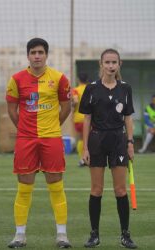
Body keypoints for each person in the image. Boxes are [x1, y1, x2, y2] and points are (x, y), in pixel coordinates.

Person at [6, 38, 72, 248]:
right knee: (24, 187)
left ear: (46, 55)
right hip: (26, 139)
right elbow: (12, 111)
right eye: (33, 52)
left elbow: (66, 108)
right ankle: (20, 235)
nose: (37, 56)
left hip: (51, 137)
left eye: (40, 52)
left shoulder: (59, 78)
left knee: (56, 184)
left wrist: (53, 126)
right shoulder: (16, 79)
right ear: (27, 55)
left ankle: (62, 235)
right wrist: (25, 129)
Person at [79, 48, 137, 249]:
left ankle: (125, 235)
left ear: (119, 64)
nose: (111, 66)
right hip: (96, 140)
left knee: (120, 190)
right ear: (101, 64)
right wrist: (85, 147)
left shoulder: (125, 88)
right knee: (96, 189)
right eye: (107, 62)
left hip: (118, 141)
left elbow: (128, 117)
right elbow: (86, 119)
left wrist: (130, 143)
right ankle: (94, 234)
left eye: (114, 62)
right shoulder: (91, 88)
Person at [72, 72, 89, 166]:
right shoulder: (90, 89)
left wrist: (73, 107)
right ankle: (86, 158)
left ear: (78, 80)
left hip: (79, 118)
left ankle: (82, 159)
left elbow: (75, 101)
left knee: (81, 139)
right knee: (88, 139)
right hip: (90, 118)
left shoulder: (75, 90)